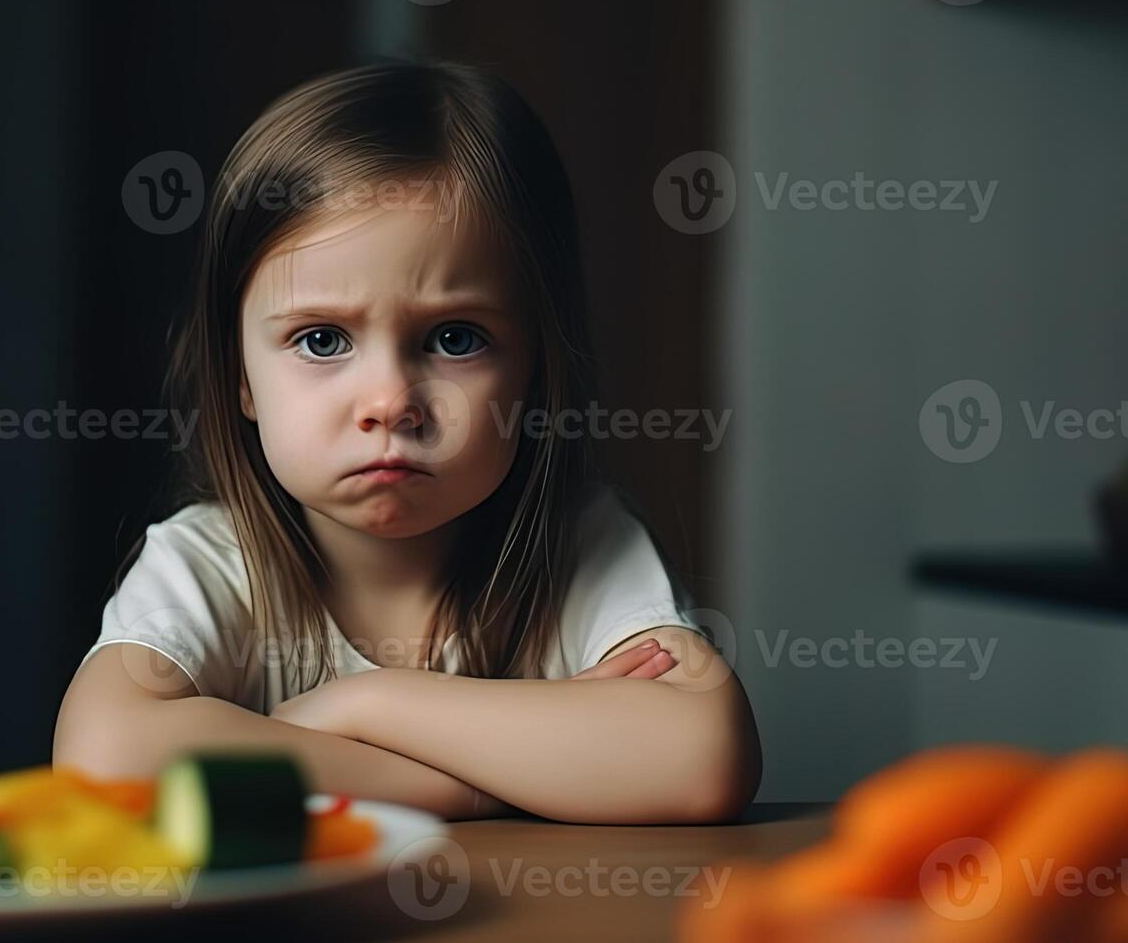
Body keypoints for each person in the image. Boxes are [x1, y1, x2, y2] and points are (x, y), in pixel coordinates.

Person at [53, 61, 760, 824]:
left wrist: (361, 704)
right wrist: (481, 782)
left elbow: (698, 759)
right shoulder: (211, 565)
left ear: (537, 370)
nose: (390, 402)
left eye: (454, 339)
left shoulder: (581, 550)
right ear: (241, 381)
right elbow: (106, 758)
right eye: (321, 340)